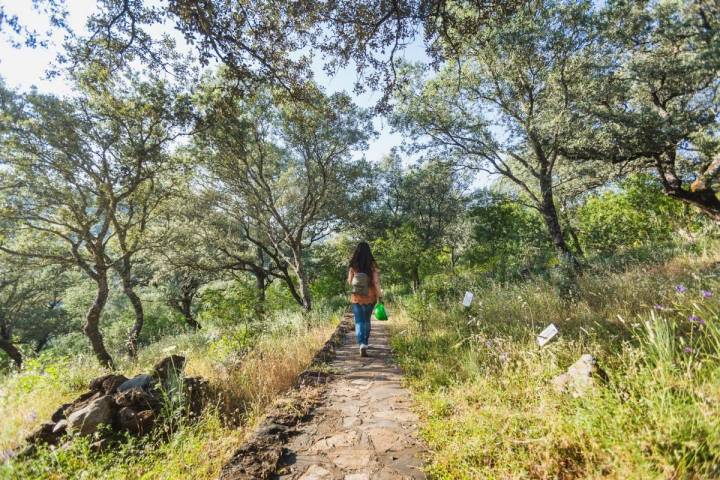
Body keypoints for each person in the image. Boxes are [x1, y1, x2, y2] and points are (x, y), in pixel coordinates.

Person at [347, 241, 382, 357]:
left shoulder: (354, 264)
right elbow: (376, 282)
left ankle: (361, 343)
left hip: (356, 296)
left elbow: (349, 282)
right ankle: (365, 343)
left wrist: (358, 281)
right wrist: (379, 295)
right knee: (367, 320)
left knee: (359, 321)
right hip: (370, 296)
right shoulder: (373, 265)